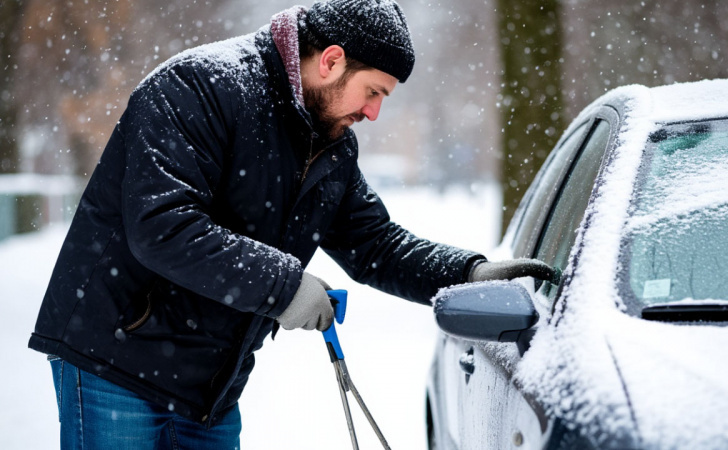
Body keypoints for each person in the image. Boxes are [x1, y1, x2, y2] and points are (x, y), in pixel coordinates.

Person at [28, 0, 555, 447]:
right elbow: (163, 225)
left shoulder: (331, 147)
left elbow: (376, 246)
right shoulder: (200, 87)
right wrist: (285, 286)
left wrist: (470, 274)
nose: (374, 113)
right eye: (373, 92)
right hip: (114, 361)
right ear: (330, 61)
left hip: (209, 386)